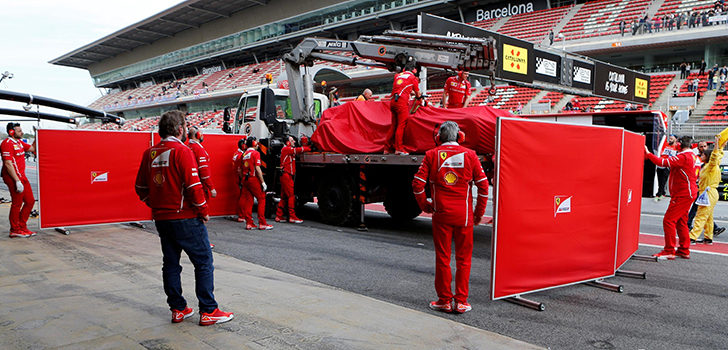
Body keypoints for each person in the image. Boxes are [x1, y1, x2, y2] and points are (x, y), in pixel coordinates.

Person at [134, 110, 233, 325]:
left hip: (161, 219)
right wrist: (204, 211)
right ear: (180, 129)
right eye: (185, 126)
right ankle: (208, 310)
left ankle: (178, 309)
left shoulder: (148, 153)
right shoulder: (183, 151)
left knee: (170, 264)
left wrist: (156, 205)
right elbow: (194, 186)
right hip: (186, 217)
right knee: (204, 262)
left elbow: (140, 188)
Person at [412, 121, 488, 314]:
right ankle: (461, 301)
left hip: (441, 215)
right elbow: (484, 186)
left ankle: (444, 300)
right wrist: (478, 213)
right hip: (464, 217)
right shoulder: (471, 155)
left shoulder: (431, 155)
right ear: (460, 137)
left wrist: (425, 205)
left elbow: (417, 185)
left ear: (439, 138)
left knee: (443, 258)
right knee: (464, 260)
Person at [644, 135, 698, 259]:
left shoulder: (684, 156)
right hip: (688, 193)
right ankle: (684, 249)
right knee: (681, 221)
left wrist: (648, 153)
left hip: (682, 194)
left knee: (669, 220)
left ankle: (669, 250)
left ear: (679, 145)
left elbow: (662, 163)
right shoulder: (692, 156)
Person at [2, 122, 36, 238]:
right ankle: (14, 229)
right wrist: (17, 181)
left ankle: (22, 226)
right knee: (17, 203)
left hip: (22, 176)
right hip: (12, 177)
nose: (22, 132)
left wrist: (37, 134)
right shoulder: (6, 143)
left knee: (30, 201)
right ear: (11, 132)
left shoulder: (19, 142)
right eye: (19, 131)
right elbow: (7, 163)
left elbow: (32, 148)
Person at [689, 136, 726, 245]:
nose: (701, 155)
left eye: (704, 154)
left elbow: (715, 156)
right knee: (708, 216)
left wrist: (716, 145)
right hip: (709, 193)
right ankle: (708, 237)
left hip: (708, 193)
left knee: (700, 215)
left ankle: (692, 237)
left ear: (708, 156)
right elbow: (718, 156)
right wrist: (721, 147)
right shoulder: (710, 166)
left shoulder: (711, 166)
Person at [238, 136, 273, 230]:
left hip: (245, 179)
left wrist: (242, 180)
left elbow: (240, 169)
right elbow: (257, 168)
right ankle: (262, 223)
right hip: (253, 179)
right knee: (261, 198)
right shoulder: (255, 153)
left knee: (249, 201)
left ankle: (249, 223)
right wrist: (263, 182)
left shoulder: (244, 154)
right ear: (253, 143)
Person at [388, 60, 423, 155]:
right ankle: (399, 148)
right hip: (402, 103)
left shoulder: (397, 76)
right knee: (401, 125)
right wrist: (420, 99)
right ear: (414, 70)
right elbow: (417, 93)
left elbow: (402, 87)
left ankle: (386, 148)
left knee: (393, 125)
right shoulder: (412, 78)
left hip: (392, 101)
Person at [275, 135, 311, 223]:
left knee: (284, 197)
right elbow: (298, 150)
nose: (294, 142)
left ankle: (279, 215)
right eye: (292, 140)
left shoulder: (287, 150)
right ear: (287, 142)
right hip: (286, 175)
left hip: (285, 175)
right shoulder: (287, 149)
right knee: (291, 196)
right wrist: (308, 148)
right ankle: (292, 216)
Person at [655, 135, 678, 200]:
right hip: (661, 163)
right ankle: (662, 192)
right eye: (669, 139)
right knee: (659, 178)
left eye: (671, 139)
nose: (670, 140)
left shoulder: (676, 147)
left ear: (675, 140)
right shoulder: (665, 145)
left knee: (664, 179)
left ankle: (660, 193)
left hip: (668, 164)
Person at [232, 137, 247, 222]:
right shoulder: (241, 155)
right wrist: (243, 179)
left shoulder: (236, 153)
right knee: (243, 197)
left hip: (236, 178)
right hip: (239, 179)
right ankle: (242, 215)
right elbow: (239, 169)